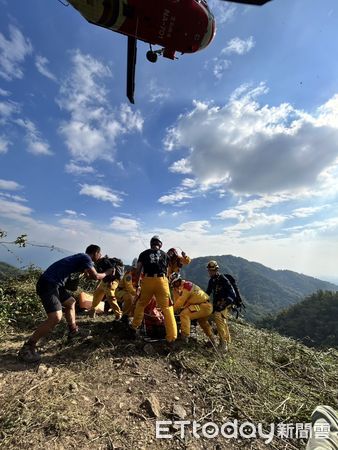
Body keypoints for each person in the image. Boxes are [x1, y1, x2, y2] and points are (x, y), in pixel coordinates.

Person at [18, 245, 112, 363]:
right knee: (55, 317)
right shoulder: (86, 258)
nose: (101, 256)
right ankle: (27, 347)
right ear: (95, 253)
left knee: (71, 302)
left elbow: (89, 277)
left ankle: (73, 331)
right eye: (100, 254)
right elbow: (95, 276)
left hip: (56, 285)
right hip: (48, 284)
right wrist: (107, 273)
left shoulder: (82, 259)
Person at [130, 235, 177, 343]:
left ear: (151, 243)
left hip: (147, 280)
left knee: (141, 304)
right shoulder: (165, 255)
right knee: (167, 308)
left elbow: (138, 271)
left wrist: (137, 284)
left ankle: (134, 327)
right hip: (162, 280)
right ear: (160, 244)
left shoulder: (143, 253)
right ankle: (172, 337)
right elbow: (170, 269)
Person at [170, 272, 215, 345]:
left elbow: (180, 302)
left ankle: (184, 338)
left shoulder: (187, 286)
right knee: (202, 322)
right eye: (173, 283)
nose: (174, 285)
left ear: (179, 280)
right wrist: (175, 308)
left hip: (203, 306)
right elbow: (177, 302)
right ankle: (212, 340)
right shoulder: (179, 288)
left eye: (175, 282)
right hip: (203, 306)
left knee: (184, 315)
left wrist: (171, 311)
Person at [206, 260, 234, 351]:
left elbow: (232, 294)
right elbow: (207, 293)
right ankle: (225, 341)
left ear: (216, 270)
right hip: (216, 305)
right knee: (213, 318)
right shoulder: (212, 281)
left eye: (212, 270)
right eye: (209, 270)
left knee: (219, 319)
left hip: (224, 304)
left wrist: (224, 305)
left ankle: (223, 344)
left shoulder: (223, 279)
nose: (210, 272)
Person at [115, 257, 139, 323]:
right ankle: (125, 316)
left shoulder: (140, 275)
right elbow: (129, 288)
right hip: (121, 292)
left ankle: (133, 316)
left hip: (131, 292)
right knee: (130, 298)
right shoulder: (128, 275)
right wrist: (138, 294)